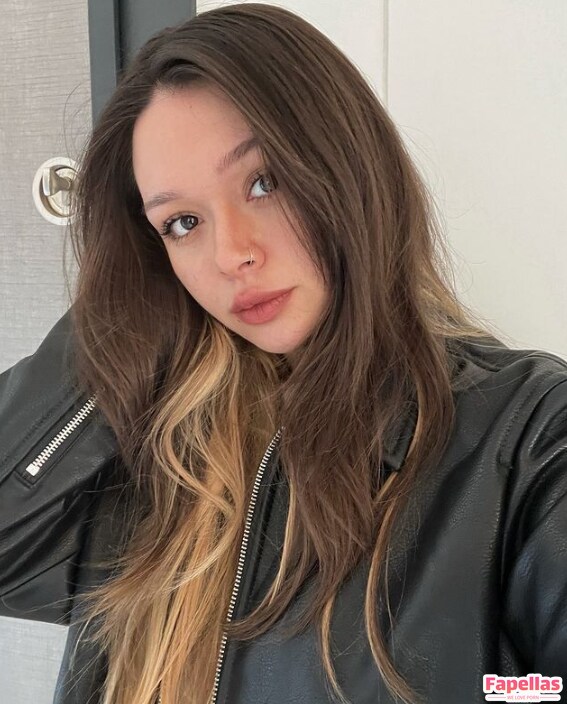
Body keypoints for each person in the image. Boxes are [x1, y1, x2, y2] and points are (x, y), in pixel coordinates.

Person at [1, 3, 566, 703]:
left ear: (351, 167)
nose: (229, 253)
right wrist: (128, 303)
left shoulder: (530, 440)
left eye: (264, 182)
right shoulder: (163, 456)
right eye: (182, 223)